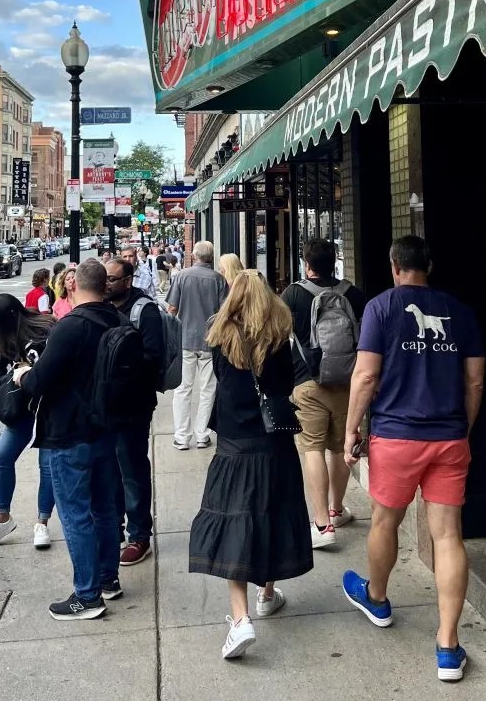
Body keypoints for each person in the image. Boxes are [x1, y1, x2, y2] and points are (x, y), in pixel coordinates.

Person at [342, 236, 485, 683]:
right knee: (448, 538)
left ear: (394, 267)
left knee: (385, 522)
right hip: (448, 438)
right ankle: (447, 646)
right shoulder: (459, 311)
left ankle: (378, 599)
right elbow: (477, 381)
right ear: (430, 265)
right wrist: (463, 427)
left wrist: (350, 430)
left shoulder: (381, 309)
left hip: (395, 437)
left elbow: (366, 375)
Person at [190, 269, 313, 659]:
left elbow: (222, 378)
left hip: (233, 444)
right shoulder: (280, 337)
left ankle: (240, 620)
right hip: (274, 440)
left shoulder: (221, 337)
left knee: (235, 520)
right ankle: (268, 592)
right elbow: (290, 382)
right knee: (272, 511)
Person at [12, 260, 124, 620]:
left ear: (73, 284)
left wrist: (22, 375)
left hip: (68, 431)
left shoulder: (70, 327)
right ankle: (108, 579)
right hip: (106, 428)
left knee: (76, 515)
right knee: (105, 509)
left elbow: (39, 382)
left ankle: (87, 595)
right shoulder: (118, 321)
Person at [282, 239, 365, 549]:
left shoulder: (293, 293)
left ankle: (322, 524)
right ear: (335, 262)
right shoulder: (353, 294)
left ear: (307, 264)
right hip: (348, 383)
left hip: (307, 382)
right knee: (340, 446)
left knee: (313, 448)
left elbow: (280, 333)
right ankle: (337, 508)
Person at [0, 295, 57, 550]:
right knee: (2, 456)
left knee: (47, 464)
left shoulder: (45, 326)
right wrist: (16, 372)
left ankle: (42, 523)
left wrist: (33, 370)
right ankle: (2, 518)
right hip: (21, 408)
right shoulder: (2, 339)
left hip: (50, 406)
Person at [105, 257, 164, 566]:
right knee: (110, 471)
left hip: (133, 406)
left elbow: (153, 357)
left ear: (127, 281)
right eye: (104, 279)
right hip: (105, 407)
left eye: (112, 280)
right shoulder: (101, 307)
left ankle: (140, 535)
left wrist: (122, 369)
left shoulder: (145, 311)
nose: (106, 284)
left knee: (132, 469)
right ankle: (114, 528)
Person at [168, 241, 228, 449]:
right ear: (211, 257)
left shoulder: (182, 276)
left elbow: (172, 309)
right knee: (208, 389)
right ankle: (202, 434)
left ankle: (182, 436)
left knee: (183, 389)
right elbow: (224, 313)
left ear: (194, 256)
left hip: (184, 340)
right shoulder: (219, 280)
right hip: (210, 341)